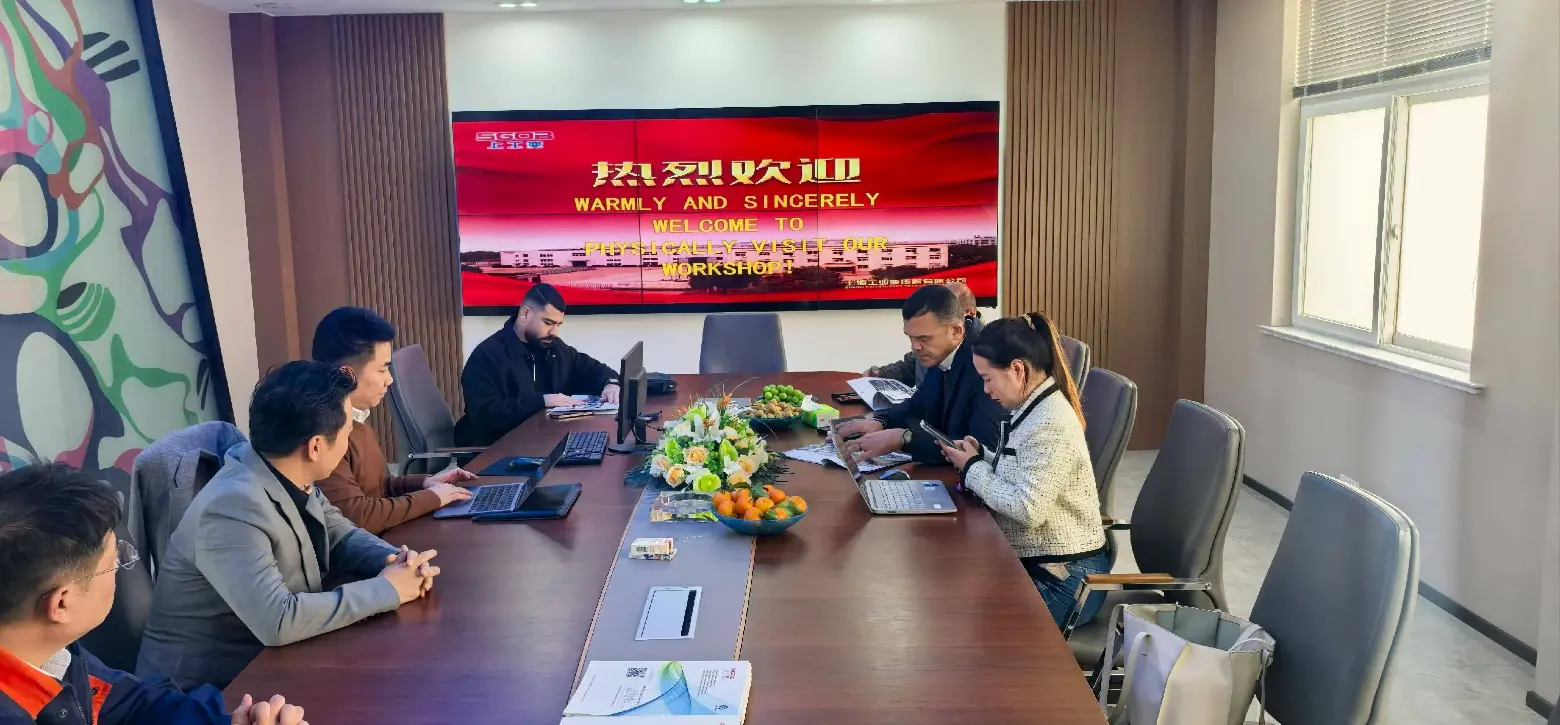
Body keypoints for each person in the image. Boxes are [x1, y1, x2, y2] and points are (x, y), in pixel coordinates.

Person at [137, 362, 441, 691]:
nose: (347, 442)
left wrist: (395, 560)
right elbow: (278, 619)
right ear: (315, 447)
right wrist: (388, 589)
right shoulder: (231, 507)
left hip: (268, 662)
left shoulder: (281, 467)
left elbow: (338, 534)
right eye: (346, 433)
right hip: (205, 691)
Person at [0, 464, 307, 725]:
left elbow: (133, 703)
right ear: (62, 603)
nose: (120, 567)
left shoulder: (53, 657)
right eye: (113, 563)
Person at [935, 313, 1108, 628]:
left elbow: (1028, 508)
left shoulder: (1050, 422)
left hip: (1066, 581)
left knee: (961, 615)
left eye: (988, 379)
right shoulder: (1034, 405)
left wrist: (973, 468)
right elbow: (1023, 470)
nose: (986, 390)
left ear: (1017, 369)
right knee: (949, 589)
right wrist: (981, 456)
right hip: (1043, 566)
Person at [311, 306, 475, 533]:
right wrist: (432, 498)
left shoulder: (356, 417)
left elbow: (375, 487)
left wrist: (424, 483)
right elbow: (357, 516)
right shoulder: (325, 431)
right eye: (382, 370)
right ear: (347, 374)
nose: (389, 380)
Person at [834, 285, 1003, 465]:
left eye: (923, 338)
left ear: (956, 331)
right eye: (910, 337)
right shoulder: (943, 348)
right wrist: (881, 421)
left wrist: (905, 439)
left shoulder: (989, 363)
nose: (914, 347)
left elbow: (980, 450)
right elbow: (920, 403)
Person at [455, 283, 621, 447]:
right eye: (548, 322)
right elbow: (485, 414)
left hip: (545, 441)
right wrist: (541, 401)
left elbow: (592, 369)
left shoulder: (554, 348)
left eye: (558, 324)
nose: (554, 332)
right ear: (525, 314)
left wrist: (611, 383)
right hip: (497, 449)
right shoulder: (486, 356)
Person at [866, 281, 985, 386]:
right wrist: (881, 373)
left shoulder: (986, 360)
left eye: (947, 306)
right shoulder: (935, 349)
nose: (915, 346)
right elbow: (910, 368)